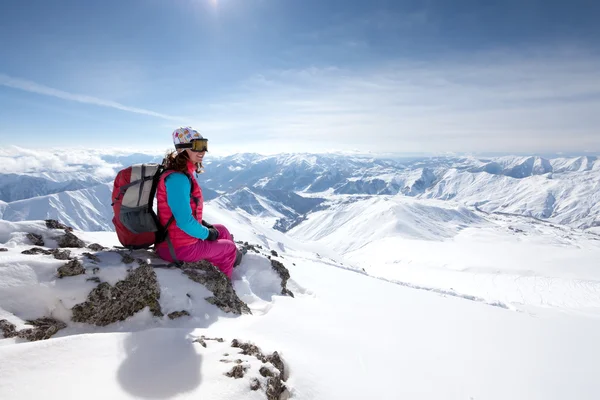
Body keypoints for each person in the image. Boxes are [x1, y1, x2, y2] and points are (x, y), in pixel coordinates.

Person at [155, 127, 241, 279]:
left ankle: (227, 260)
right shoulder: (178, 179)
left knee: (222, 230)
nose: (203, 151)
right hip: (177, 248)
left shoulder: (183, 174)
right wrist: (207, 234)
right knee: (229, 248)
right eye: (197, 146)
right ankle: (226, 288)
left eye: (204, 145)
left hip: (177, 241)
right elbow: (183, 222)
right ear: (182, 149)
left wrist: (205, 225)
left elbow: (183, 213)